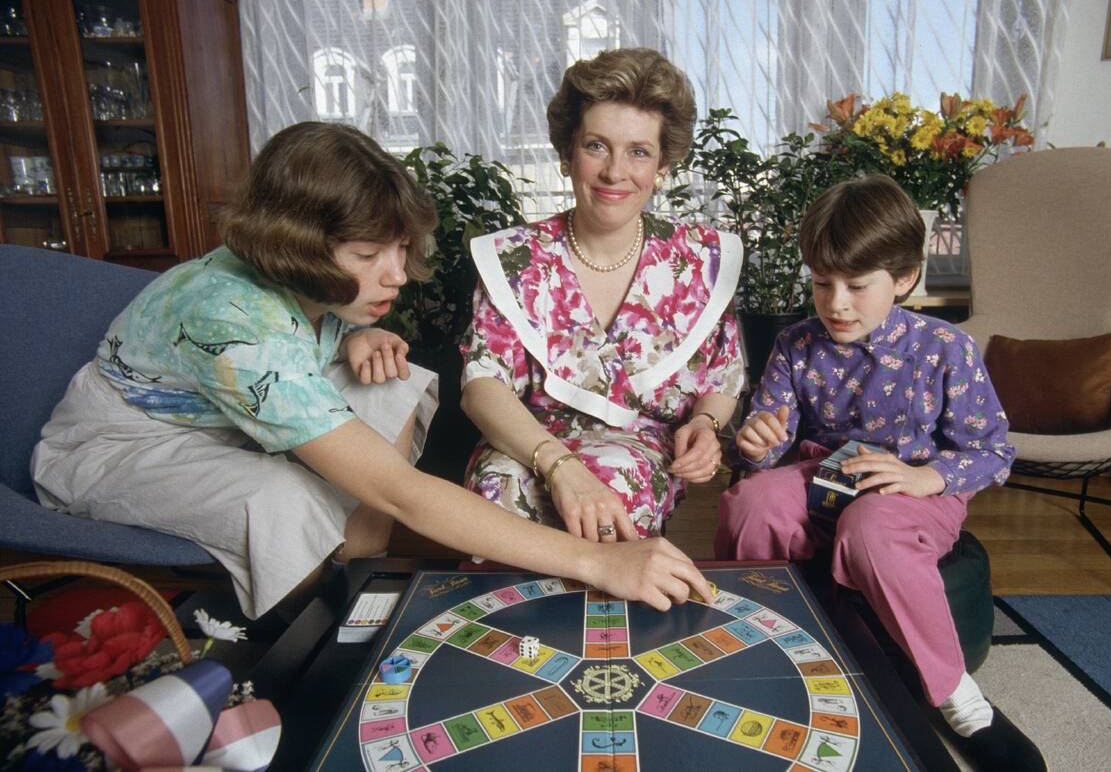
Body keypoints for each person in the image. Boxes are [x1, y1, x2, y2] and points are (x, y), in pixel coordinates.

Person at [31, 121, 712, 620]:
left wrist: (348, 333)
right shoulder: (227, 319)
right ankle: (312, 624)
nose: (394, 274)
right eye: (366, 254)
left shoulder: (280, 276)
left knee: (394, 378)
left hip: (212, 416)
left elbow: (288, 333)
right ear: (296, 246)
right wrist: (600, 562)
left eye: (399, 247)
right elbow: (402, 492)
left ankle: (358, 565)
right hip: (117, 447)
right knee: (283, 502)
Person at [715, 175, 1045, 771]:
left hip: (913, 489)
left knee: (870, 526)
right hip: (820, 473)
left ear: (905, 278)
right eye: (821, 283)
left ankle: (960, 700)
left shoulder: (948, 349)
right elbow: (767, 439)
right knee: (751, 502)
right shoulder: (794, 344)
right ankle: (765, 644)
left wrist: (927, 479)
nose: (836, 302)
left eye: (857, 285)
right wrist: (756, 445)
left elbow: (994, 451)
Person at [459, 48, 745, 544]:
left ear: (662, 164)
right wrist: (558, 464)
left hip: (637, 450)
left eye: (638, 151)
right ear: (568, 153)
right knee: (496, 491)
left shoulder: (698, 259)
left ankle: (598, 624)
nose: (616, 172)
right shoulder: (516, 259)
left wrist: (704, 423)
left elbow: (722, 374)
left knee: (609, 500)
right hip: (526, 442)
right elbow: (482, 385)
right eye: (596, 146)